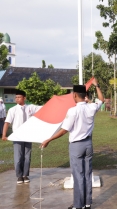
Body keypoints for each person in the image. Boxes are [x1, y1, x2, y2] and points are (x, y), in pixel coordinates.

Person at [40, 78, 103, 209]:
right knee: (87, 174)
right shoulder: (91, 107)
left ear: (75, 95)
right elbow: (101, 100)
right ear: (85, 95)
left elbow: (64, 130)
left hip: (76, 146)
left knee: (78, 175)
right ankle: (87, 203)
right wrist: (97, 86)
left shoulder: (72, 111)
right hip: (88, 145)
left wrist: (48, 140)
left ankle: (77, 205)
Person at [2, 90, 42, 184]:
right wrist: (4, 135)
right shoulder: (13, 110)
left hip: (28, 135)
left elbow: (43, 108)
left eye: (19, 97)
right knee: (18, 156)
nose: (17, 99)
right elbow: (7, 122)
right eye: (16, 97)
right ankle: (19, 176)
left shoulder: (30, 108)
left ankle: (25, 175)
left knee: (27, 156)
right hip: (18, 136)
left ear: (24, 98)